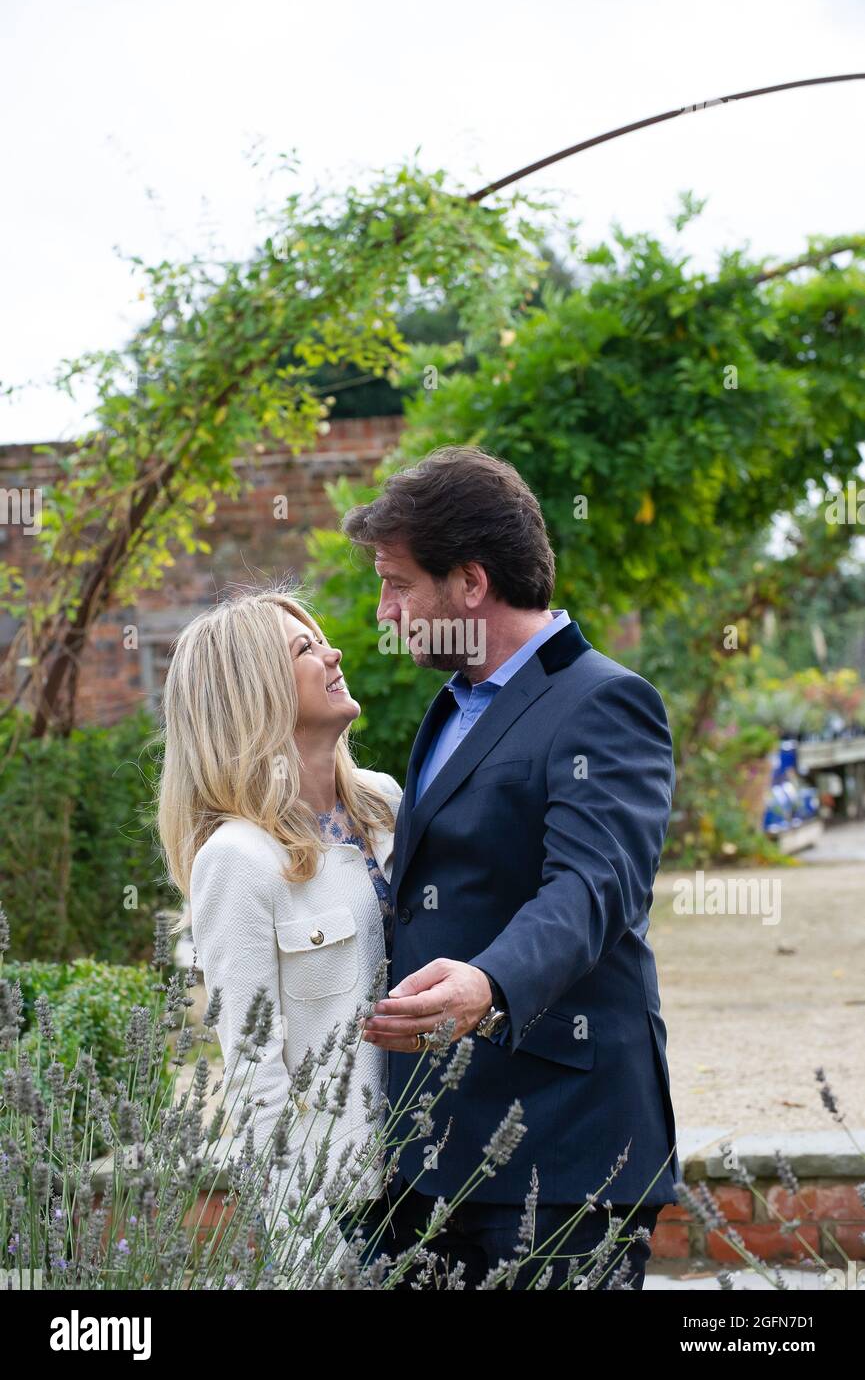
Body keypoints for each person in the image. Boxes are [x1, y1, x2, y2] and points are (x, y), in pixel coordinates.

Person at [343, 446, 680, 1290]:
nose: (383, 611)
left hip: (564, 1148)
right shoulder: (449, 705)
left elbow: (591, 888)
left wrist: (488, 985)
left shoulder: (605, 701)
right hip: (431, 1153)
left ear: (469, 582)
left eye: (397, 584)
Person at [157, 587, 402, 1270]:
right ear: (251, 692)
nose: (334, 652)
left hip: (443, 1172)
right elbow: (252, 1076)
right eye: (305, 649)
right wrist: (315, 1249)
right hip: (351, 1203)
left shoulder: (384, 804)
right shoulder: (237, 858)